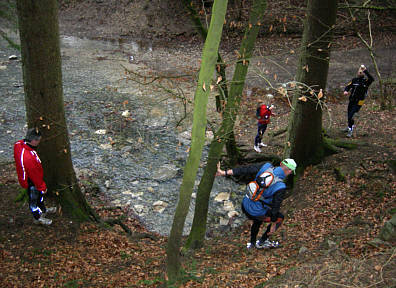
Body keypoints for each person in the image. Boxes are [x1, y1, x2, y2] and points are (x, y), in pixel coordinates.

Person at [216, 158, 297, 249]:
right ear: (289, 171)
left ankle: (252, 243)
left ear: (281, 164)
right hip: (255, 211)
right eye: (291, 172)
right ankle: (262, 241)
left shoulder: (266, 166)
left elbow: (245, 169)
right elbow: (275, 208)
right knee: (279, 218)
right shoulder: (280, 186)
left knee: (259, 217)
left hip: (245, 203)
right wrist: (273, 225)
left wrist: (224, 173)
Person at [14, 128, 56, 225]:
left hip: (29, 180)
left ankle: (43, 210)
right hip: (32, 182)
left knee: (39, 198)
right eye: (38, 140)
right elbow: (35, 176)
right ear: (34, 141)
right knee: (34, 200)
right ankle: (37, 218)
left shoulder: (19, 145)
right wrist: (42, 187)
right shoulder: (29, 158)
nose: (39, 142)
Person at [343, 64, 374, 137]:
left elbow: (372, 79)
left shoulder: (366, 81)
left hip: (359, 102)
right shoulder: (354, 80)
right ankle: (349, 127)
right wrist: (346, 91)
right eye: (359, 72)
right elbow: (348, 86)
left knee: (351, 115)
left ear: (364, 73)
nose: (360, 73)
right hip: (352, 100)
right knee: (349, 114)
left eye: (361, 72)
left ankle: (350, 130)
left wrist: (365, 70)